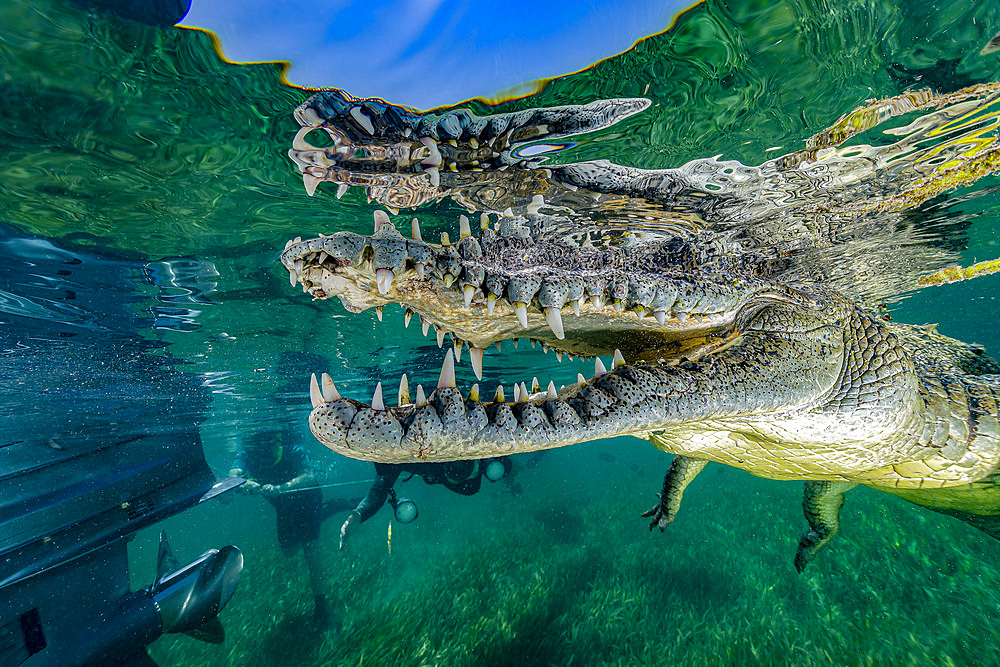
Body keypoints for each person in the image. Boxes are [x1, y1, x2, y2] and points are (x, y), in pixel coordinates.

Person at [228, 428, 337, 630]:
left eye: (269, 448)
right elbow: (234, 473)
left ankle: (322, 607)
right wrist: (239, 484)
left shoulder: (291, 448)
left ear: (276, 443)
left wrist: (280, 489)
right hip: (283, 505)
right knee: (288, 551)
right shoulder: (247, 451)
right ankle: (328, 511)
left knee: (310, 549)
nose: (264, 454)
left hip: (307, 499)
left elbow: (309, 476)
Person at [339, 457, 512, 548]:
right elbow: (379, 490)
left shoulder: (424, 465)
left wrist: (360, 514)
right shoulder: (424, 462)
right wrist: (360, 514)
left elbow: (381, 488)